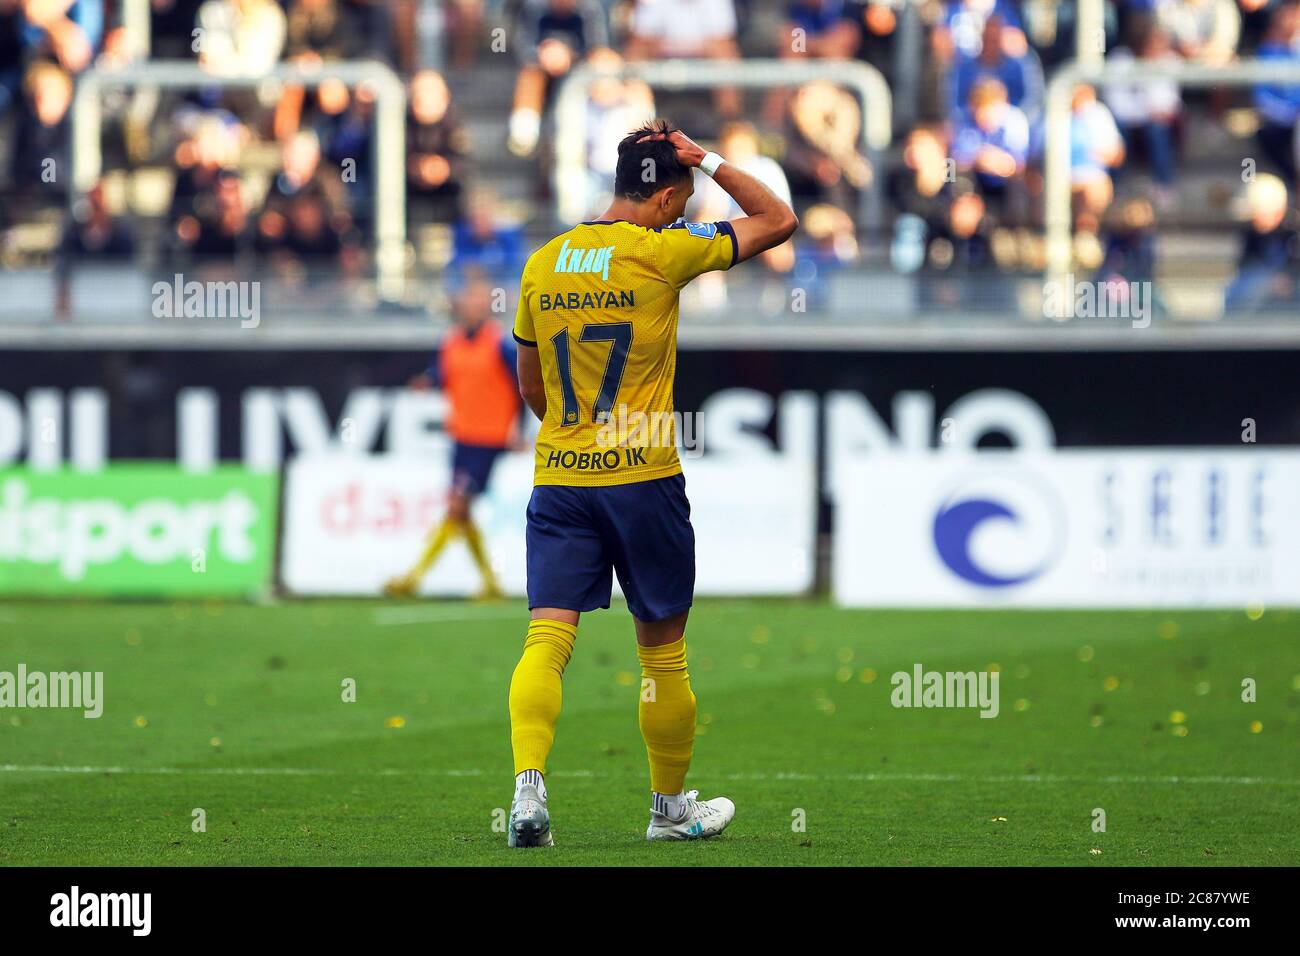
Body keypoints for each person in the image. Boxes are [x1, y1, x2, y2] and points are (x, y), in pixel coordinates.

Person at [505, 120, 798, 847]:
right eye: (683, 199)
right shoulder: (664, 252)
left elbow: (532, 384)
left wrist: (575, 436)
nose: (682, 211)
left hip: (561, 477)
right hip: (644, 481)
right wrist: (713, 159)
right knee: (662, 653)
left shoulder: (543, 262)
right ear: (665, 197)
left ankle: (527, 793)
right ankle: (669, 811)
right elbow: (777, 220)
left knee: (547, 638)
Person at [384, 273, 521, 599]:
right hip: (461, 435)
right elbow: (440, 373)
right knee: (461, 511)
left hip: (489, 438)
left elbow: (523, 384)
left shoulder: (499, 343)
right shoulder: (451, 342)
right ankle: (490, 583)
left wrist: (516, 428)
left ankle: (414, 578)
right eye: (469, 298)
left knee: (457, 504)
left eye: (479, 299)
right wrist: (426, 382)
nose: (473, 305)